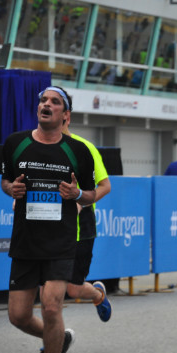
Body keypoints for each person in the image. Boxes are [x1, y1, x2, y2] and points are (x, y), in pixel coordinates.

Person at [1, 86, 96, 353]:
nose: (47, 105)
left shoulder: (78, 151)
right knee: (18, 316)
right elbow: (5, 181)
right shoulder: (15, 143)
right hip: (26, 241)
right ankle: (59, 338)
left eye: (55, 102)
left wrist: (77, 194)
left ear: (65, 115)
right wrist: (11, 189)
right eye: (43, 100)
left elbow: (91, 194)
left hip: (60, 241)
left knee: (52, 308)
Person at [61, 100, 113, 321]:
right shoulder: (38, 147)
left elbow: (105, 186)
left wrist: (80, 202)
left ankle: (98, 294)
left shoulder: (85, 147)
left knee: (73, 289)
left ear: (66, 116)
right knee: (48, 291)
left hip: (80, 229)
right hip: (47, 229)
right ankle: (55, 337)